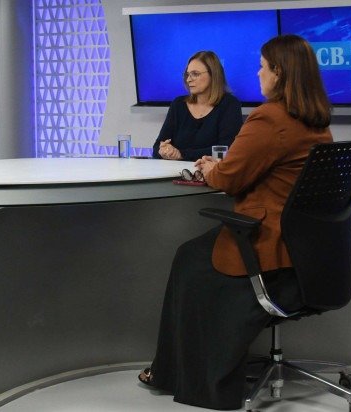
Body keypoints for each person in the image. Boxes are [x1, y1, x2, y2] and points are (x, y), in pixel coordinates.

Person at [138, 34, 333, 410]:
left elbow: (230, 179)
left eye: (262, 67)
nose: (258, 73)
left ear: (279, 73)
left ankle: (186, 377)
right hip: (307, 249)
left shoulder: (269, 117)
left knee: (188, 258)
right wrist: (223, 166)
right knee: (194, 255)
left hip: (268, 241)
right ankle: (182, 370)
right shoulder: (316, 121)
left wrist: (213, 168)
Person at [152, 51, 243, 161]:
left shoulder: (230, 105)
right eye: (187, 74)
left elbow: (226, 150)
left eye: (195, 74)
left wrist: (181, 154)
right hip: (175, 170)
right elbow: (157, 147)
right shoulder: (178, 104)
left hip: (211, 170)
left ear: (213, 74)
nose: (188, 79)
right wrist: (164, 150)